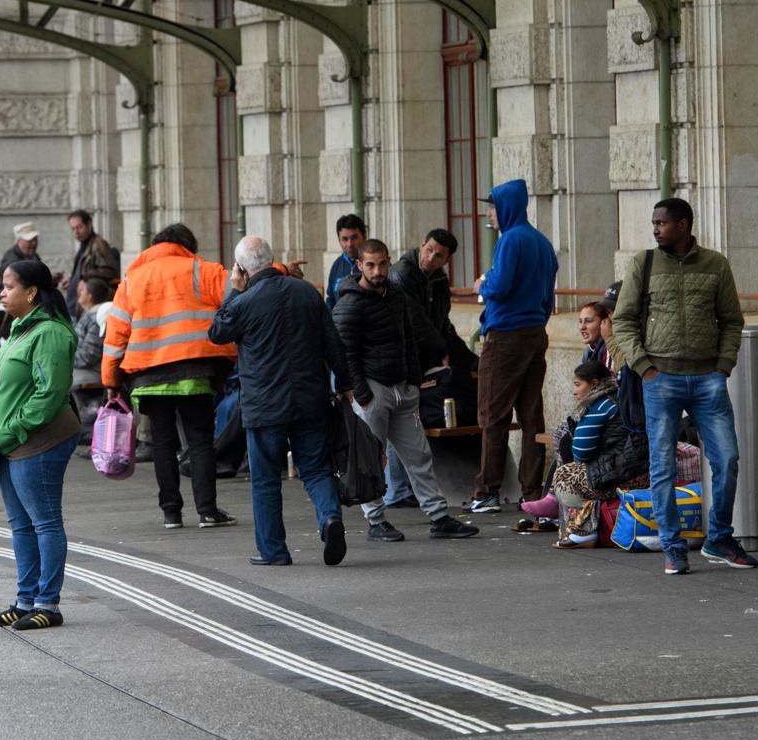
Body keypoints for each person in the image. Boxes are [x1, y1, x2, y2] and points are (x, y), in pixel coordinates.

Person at [611, 197, 751, 576]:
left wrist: (724, 364)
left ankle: (719, 537)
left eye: (662, 223)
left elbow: (731, 319)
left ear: (684, 224)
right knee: (662, 466)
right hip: (661, 378)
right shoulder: (644, 263)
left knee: (727, 459)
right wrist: (644, 366)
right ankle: (673, 547)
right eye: (654, 223)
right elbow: (621, 320)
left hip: (708, 378)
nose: (656, 229)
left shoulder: (716, 264)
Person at [209, 235, 350, 566]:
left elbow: (217, 332)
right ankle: (330, 518)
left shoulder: (244, 301)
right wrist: (344, 383)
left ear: (241, 268)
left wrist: (234, 290)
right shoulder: (306, 293)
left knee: (266, 480)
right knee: (316, 469)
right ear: (273, 259)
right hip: (310, 397)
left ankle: (273, 550)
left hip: (264, 404)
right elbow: (333, 343)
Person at [331, 240, 479, 543]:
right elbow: (344, 354)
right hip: (373, 389)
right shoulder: (349, 303)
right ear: (359, 265)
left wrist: (412, 380)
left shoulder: (395, 295)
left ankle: (438, 517)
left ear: (389, 262)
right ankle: (376, 520)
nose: (377, 271)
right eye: (370, 265)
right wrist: (361, 393)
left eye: (382, 264)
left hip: (402, 387)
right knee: (370, 460)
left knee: (419, 455)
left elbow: (408, 338)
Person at [102, 223, 238, 531]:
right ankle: (207, 510)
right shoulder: (203, 270)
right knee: (200, 440)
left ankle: (171, 513)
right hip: (195, 370)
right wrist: (281, 270)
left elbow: (116, 333)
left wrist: (110, 379)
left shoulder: (132, 280)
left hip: (148, 374)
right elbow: (242, 290)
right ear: (188, 246)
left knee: (162, 442)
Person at [0, 260, 81, 632]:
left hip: (39, 440)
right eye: (1, 287)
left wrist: (14, 428)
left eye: (8, 286)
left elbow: (49, 393)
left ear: (32, 292)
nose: (2, 293)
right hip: (10, 443)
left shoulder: (50, 333)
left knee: (45, 522)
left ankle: (47, 603)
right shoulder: (21, 329)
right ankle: (25, 599)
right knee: (21, 525)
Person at [468, 179, 558, 514]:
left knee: (493, 414)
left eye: (491, 207)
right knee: (532, 414)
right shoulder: (542, 243)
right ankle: (532, 491)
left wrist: (482, 283)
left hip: (505, 335)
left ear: (505, 207)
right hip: (535, 332)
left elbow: (501, 285)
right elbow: (549, 296)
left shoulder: (509, 241)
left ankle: (487, 491)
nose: (489, 214)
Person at [547, 360, 648, 547]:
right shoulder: (617, 396)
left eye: (578, 385)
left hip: (623, 474)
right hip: (637, 469)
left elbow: (581, 453)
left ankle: (587, 529)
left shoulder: (601, 404)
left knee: (564, 476)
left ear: (593, 384)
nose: (574, 391)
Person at [390, 228, 480, 433]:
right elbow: (415, 323)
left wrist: (469, 360)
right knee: (403, 425)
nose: (431, 258)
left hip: (426, 354)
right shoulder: (402, 273)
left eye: (438, 255)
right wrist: (442, 350)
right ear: (422, 245)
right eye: (429, 250)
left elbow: (442, 324)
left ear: (446, 259)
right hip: (404, 357)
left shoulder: (439, 280)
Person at [71, 278, 114, 440]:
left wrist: (66, 361)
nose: (78, 294)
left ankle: (85, 429)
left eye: (82, 291)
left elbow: (89, 355)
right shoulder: (89, 315)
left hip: (93, 370)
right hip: (83, 367)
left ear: (89, 296)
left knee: (60, 379)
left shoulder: (97, 318)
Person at [64, 210, 119, 314]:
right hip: (75, 306)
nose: (76, 232)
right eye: (73, 229)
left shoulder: (98, 244)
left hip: (88, 307)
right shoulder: (84, 245)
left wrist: (85, 277)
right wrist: (72, 281)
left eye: (79, 227)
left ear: (89, 225)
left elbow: (109, 271)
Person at [326, 213, 367, 311]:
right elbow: (331, 298)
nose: (350, 244)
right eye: (345, 239)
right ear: (339, 240)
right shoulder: (337, 265)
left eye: (354, 238)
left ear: (364, 236)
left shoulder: (375, 264)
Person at [0, 221, 42, 291]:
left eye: (35, 239)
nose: (34, 243)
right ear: (19, 241)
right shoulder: (11, 261)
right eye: (30, 240)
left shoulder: (34, 256)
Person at [578, 301, 614, 369]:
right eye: (580, 321)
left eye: (588, 321)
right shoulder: (588, 352)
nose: (582, 327)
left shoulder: (612, 351)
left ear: (605, 322)